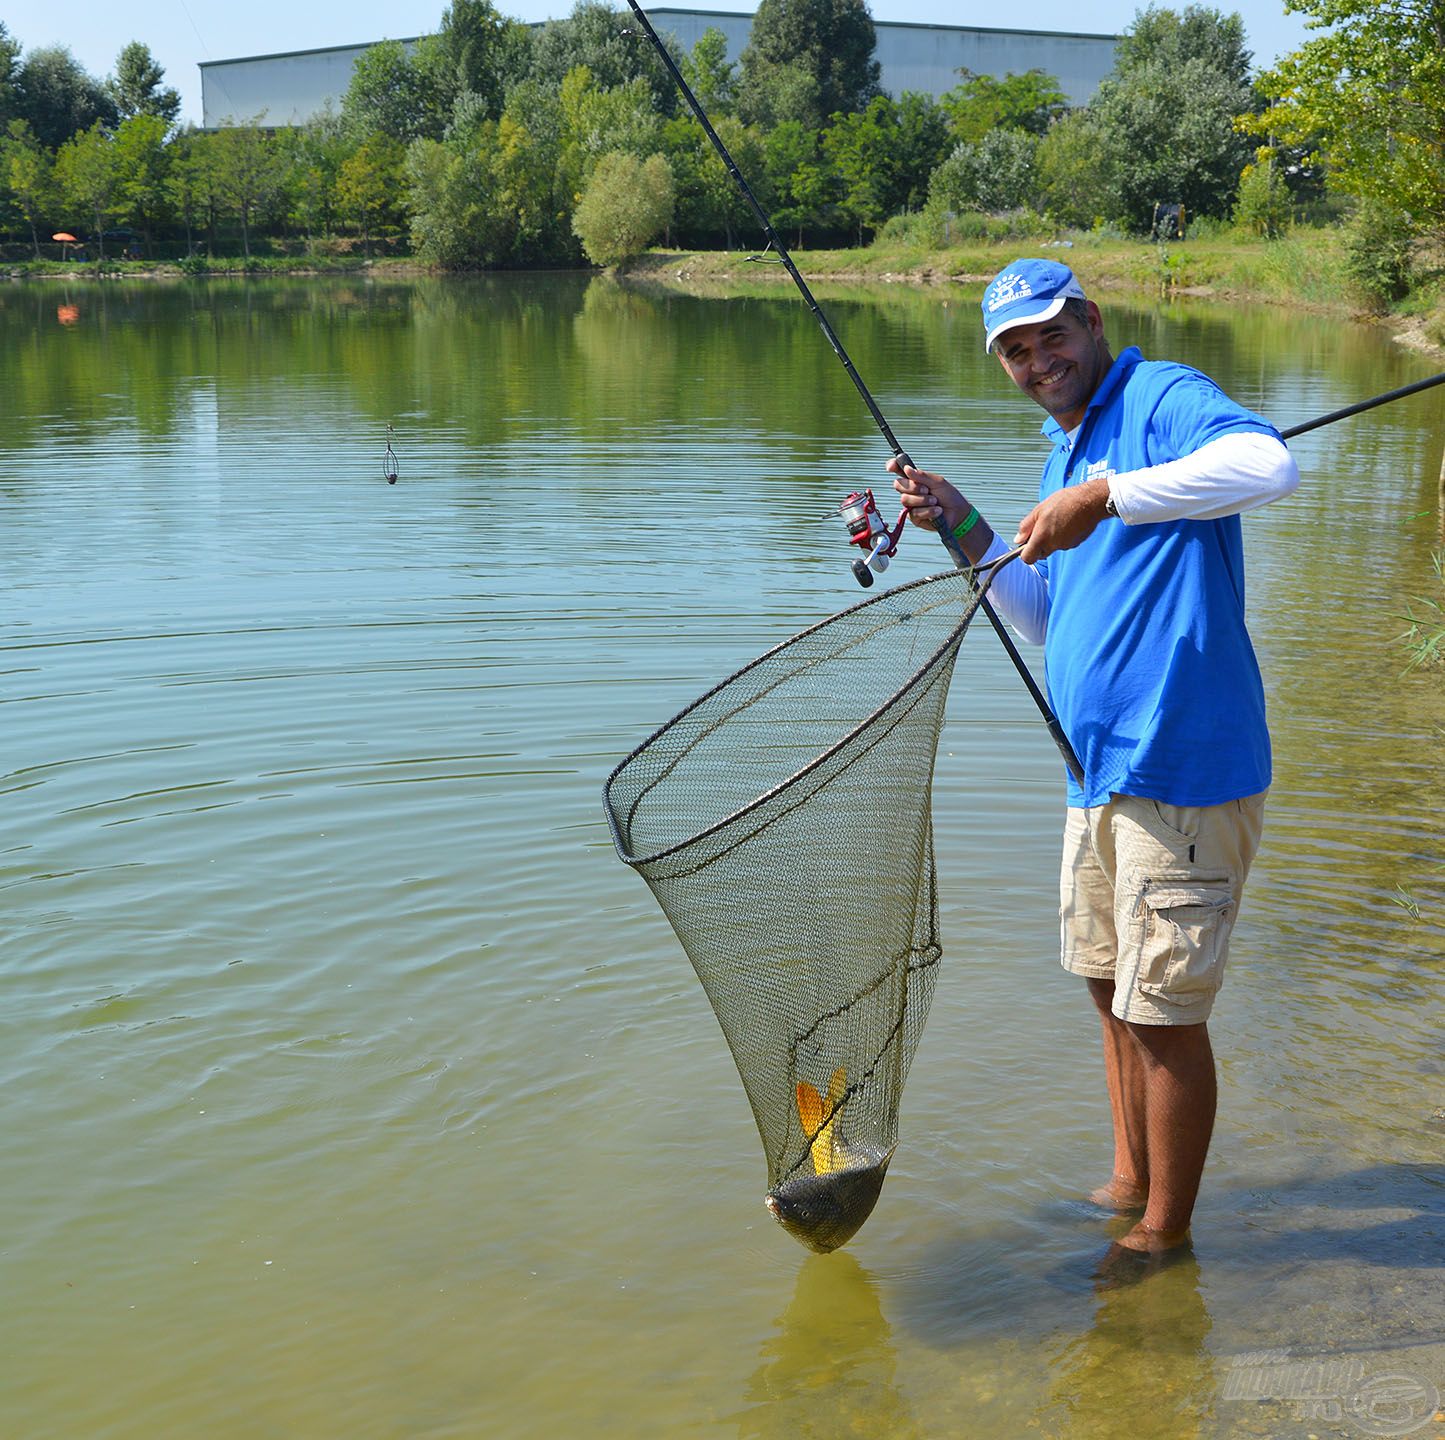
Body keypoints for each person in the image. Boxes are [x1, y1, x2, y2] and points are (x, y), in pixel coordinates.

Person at [889, 259, 1299, 1257]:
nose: (1038, 361)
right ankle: (1128, 1181)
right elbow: (1042, 614)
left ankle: (1164, 1239)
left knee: (1160, 1014)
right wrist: (964, 526)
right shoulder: (1062, 448)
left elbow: (1266, 466)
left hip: (1182, 768)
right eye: (1015, 351)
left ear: (1091, 321)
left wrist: (1105, 494)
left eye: (1049, 336)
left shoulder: (1154, 396)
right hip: (1095, 772)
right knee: (1107, 989)